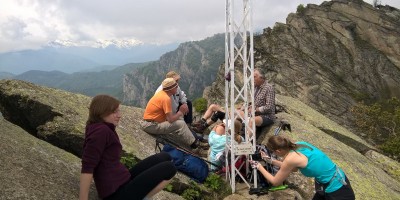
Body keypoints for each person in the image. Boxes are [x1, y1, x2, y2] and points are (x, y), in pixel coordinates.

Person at [79, 94, 177, 200]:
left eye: (118, 111)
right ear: (101, 112)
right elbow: (87, 166)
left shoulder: (102, 127)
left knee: (164, 156)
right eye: (114, 112)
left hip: (122, 179)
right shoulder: (101, 132)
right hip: (116, 193)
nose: (119, 115)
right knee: (170, 168)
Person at [250, 135, 355, 200]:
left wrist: (258, 166)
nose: (274, 154)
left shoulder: (290, 158)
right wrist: (270, 161)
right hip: (334, 180)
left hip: (337, 190)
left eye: (273, 153)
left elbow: (275, 181)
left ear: (278, 151)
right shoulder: (300, 144)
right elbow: (293, 168)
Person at [142, 78, 206, 150]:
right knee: (180, 124)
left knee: (179, 121)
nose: (177, 87)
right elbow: (170, 119)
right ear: (170, 89)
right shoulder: (165, 98)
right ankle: (195, 147)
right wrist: (181, 112)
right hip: (151, 125)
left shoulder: (162, 94)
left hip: (151, 123)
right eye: (175, 86)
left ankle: (194, 140)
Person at [239, 68, 275, 139]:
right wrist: (244, 107)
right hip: (254, 113)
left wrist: (255, 110)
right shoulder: (255, 88)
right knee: (236, 113)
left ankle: (246, 142)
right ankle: (236, 137)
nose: (252, 79)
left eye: (254, 77)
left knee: (252, 121)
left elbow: (269, 107)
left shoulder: (269, 88)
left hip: (267, 116)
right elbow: (251, 101)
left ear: (261, 77)